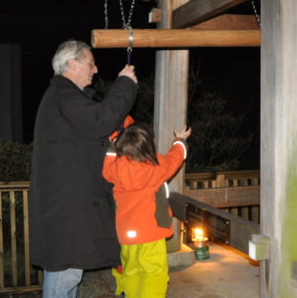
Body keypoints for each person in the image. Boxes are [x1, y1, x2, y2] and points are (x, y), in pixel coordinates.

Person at [29, 39, 138, 298]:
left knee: (70, 273)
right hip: (65, 209)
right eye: (90, 63)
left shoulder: (63, 96)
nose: (95, 69)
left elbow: (91, 130)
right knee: (63, 274)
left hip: (67, 206)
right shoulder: (63, 94)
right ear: (71, 63)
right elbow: (98, 121)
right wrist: (125, 84)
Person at [102, 122, 192, 298]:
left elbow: (106, 168)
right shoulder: (156, 166)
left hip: (126, 234)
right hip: (151, 233)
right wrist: (180, 140)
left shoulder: (116, 168)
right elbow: (175, 159)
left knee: (131, 271)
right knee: (154, 273)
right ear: (149, 145)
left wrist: (113, 145)